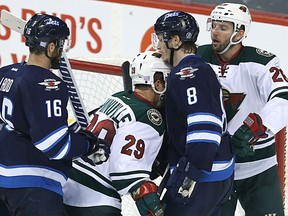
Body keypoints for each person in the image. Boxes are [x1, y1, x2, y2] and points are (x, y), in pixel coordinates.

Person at [0, 13, 110, 216]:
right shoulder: (47, 83)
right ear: (51, 47)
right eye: (61, 44)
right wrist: (88, 145)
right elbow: (52, 144)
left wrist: (73, 132)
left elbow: (28, 122)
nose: (62, 50)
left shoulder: (6, 73)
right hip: (34, 185)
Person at [197, 3, 287, 216]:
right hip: (214, 169)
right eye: (214, 25)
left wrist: (261, 126)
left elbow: (284, 96)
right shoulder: (198, 58)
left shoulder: (261, 62)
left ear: (240, 33)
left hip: (259, 168)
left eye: (224, 27)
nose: (215, 32)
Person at [63, 51, 170, 216]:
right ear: (157, 82)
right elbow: (127, 173)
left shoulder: (118, 97)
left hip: (69, 185)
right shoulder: (149, 117)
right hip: (96, 199)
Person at [152, 10, 234, 216]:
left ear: (175, 40)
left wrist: (188, 176)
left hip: (203, 179)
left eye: (161, 39)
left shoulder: (188, 73)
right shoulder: (196, 69)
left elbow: (206, 127)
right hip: (215, 176)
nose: (158, 46)